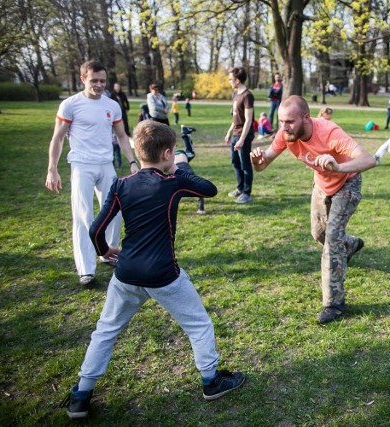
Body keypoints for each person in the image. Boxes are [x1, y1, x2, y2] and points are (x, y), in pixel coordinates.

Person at [59, 121, 244, 420]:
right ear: (168, 153)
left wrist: (104, 251)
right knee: (199, 325)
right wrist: (179, 168)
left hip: (126, 274)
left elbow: (96, 229)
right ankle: (211, 380)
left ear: (137, 150)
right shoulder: (173, 182)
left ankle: (81, 393)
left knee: (105, 331)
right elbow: (209, 189)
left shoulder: (121, 184)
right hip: (163, 275)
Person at [250, 96, 377, 324]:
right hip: (321, 185)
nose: (284, 127)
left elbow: (369, 160)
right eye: (280, 121)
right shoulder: (286, 134)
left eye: (289, 121)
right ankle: (352, 244)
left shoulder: (329, 132)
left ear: (306, 117)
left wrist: (338, 167)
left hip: (347, 182)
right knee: (318, 234)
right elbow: (262, 165)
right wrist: (256, 160)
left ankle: (334, 303)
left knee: (331, 239)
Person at [45, 60, 139, 287]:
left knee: (116, 214)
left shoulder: (112, 105)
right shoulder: (70, 105)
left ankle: (107, 252)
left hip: (106, 165)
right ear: (83, 79)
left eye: (102, 81)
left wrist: (133, 161)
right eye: (93, 80)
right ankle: (86, 270)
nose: (98, 85)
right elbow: (57, 138)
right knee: (84, 218)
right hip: (81, 166)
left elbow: (122, 136)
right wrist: (52, 169)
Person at [225, 67, 255, 204]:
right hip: (236, 134)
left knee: (245, 165)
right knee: (235, 163)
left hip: (244, 135)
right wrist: (229, 132)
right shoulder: (236, 95)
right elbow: (235, 117)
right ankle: (240, 188)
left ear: (237, 80)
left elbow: (248, 119)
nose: (229, 81)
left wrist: (242, 139)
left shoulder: (247, 95)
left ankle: (247, 193)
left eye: (231, 79)